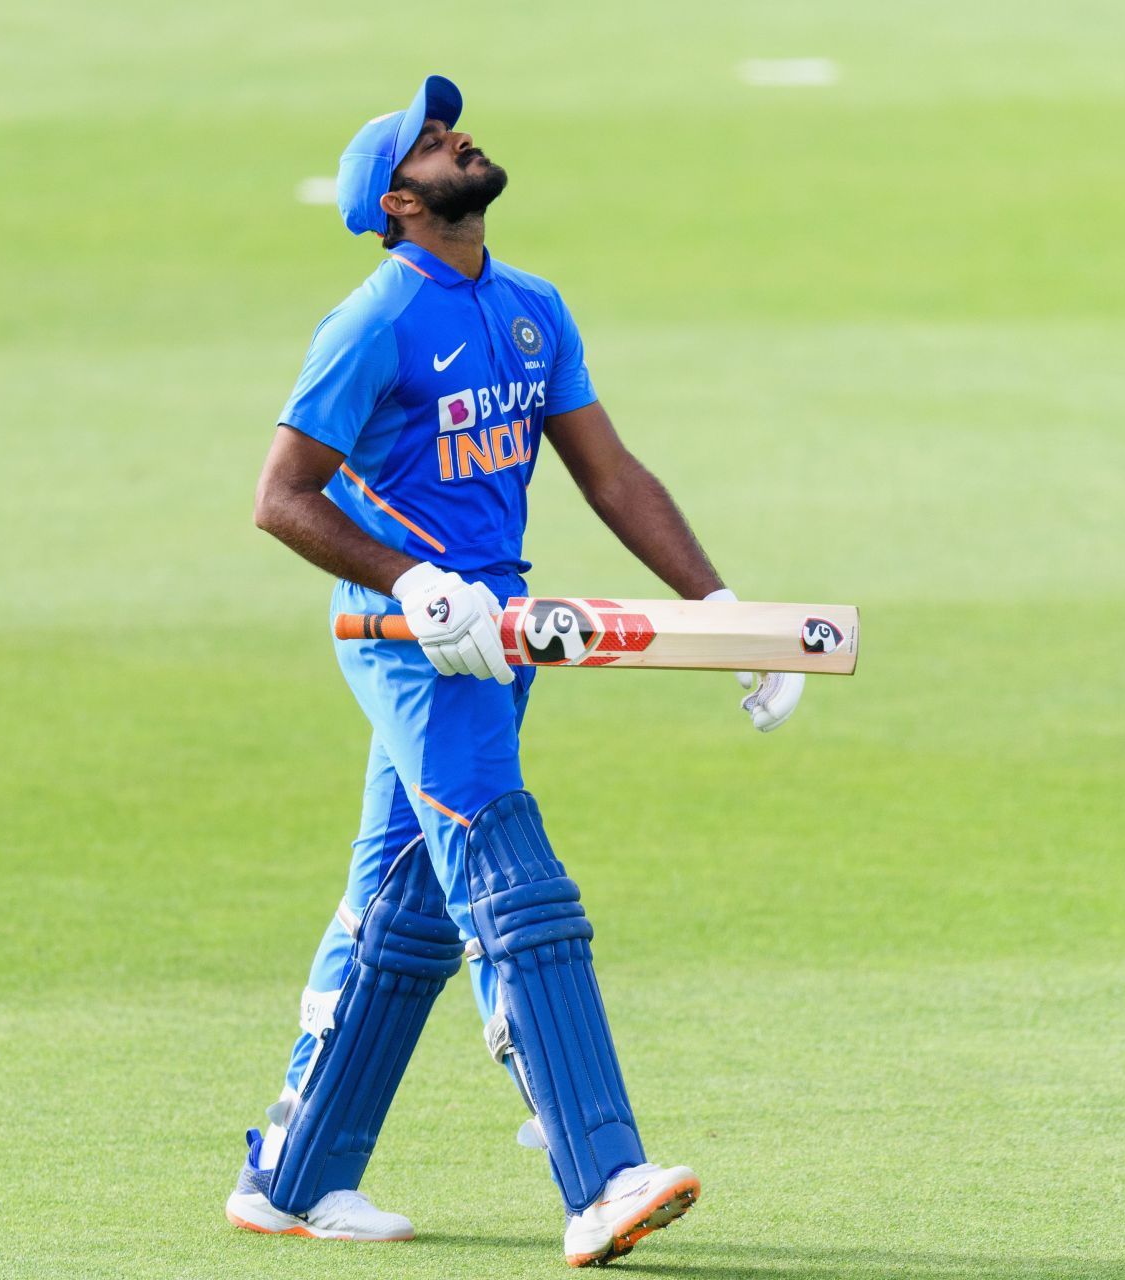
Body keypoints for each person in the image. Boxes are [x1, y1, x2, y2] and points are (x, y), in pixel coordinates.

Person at [227, 73, 805, 1268]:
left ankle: (294, 1173)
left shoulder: (531, 307)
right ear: (395, 201)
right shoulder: (374, 320)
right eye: (432, 141)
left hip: (503, 639)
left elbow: (612, 475)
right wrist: (412, 582)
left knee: (407, 907)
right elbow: (281, 498)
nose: (458, 138)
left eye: (454, 128)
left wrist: (723, 608)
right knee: (512, 883)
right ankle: (602, 1174)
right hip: (419, 649)